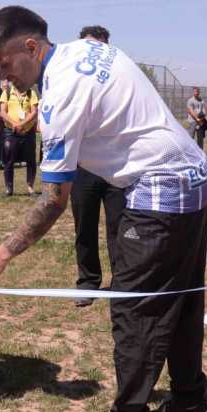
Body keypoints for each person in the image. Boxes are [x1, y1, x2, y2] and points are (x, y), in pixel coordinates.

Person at [0, 7, 207, 412]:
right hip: (194, 175)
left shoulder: (61, 95)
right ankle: (190, 405)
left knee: (134, 308)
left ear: (31, 47)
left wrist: (1, 254)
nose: (4, 78)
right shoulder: (88, 48)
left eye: (4, 65)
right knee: (180, 298)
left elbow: (53, 199)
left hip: (162, 187)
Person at [69, 24, 124, 308]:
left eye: (98, 46)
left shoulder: (121, 78)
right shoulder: (70, 80)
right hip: (83, 166)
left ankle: (120, 284)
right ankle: (88, 281)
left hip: (116, 166)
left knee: (119, 228)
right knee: (84, 227)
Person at [0, 82, 38, 196]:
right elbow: (2, 112)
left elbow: (34, 112)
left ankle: (30, 187)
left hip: (27, 132)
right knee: (8, 160)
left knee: (31, 160)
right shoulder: (6, 93)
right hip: (11, 132)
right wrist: (15, 124)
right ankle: (9, 189)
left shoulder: (31, 93)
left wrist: (22, 123)